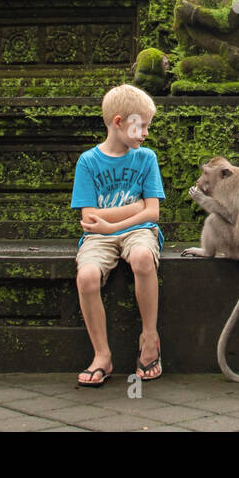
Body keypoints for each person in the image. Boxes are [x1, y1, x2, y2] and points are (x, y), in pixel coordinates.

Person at [72, 84, 165, 386]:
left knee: (141, 258)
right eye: (142, 126)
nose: (146, 133)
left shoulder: (146, 158)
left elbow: (152, 213)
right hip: (99, 237)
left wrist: (113, 223)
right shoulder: (88, 162)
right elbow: (88, 218)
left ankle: (150, 338)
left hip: (138, 231)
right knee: (86, 276)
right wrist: (133, 206)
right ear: (119, 122)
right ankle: (102, 355)